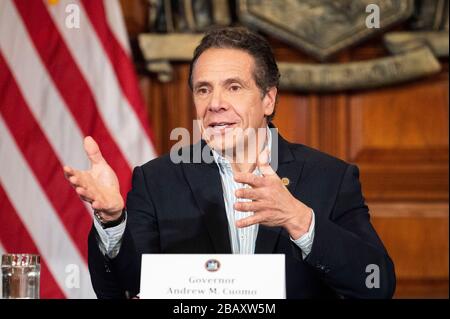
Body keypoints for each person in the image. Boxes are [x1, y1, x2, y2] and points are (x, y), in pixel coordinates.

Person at [64, 27, 395, 299]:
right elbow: (123, 289)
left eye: (233, 87)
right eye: (203, 90)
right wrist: (111, 222)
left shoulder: (330, 178)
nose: (215, 104)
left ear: (268, 98)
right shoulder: (157, 180)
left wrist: (298, 219)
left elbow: (376, 283)